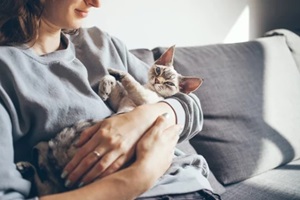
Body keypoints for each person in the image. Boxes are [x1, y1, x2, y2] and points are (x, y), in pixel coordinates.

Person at [0, 0, 220, 199]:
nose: (96, 3)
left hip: (186, 185)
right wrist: (138, 177)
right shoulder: (7, 71)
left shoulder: (101, 43)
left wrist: (138, 119)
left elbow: (190, 107)